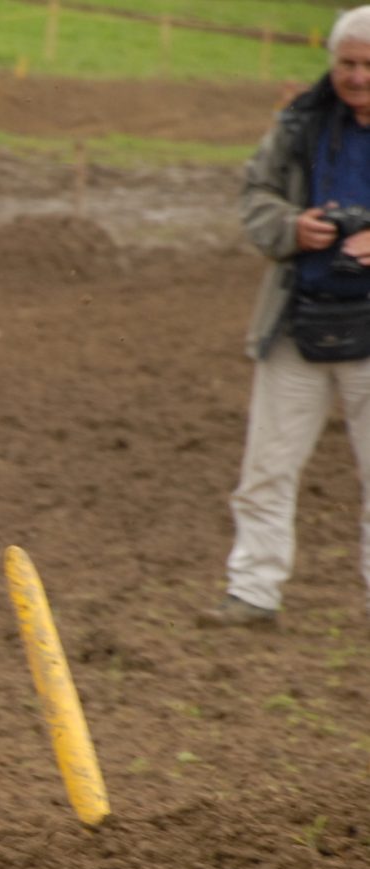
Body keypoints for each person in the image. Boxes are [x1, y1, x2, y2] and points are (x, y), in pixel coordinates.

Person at [201, 7, 370, 629]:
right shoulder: (301, 121)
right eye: (346, 63)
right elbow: (255, 193)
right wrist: (291, 227)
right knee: (266, 467)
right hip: (297, 319)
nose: (356, 77)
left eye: (368, 66)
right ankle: (253, 591)